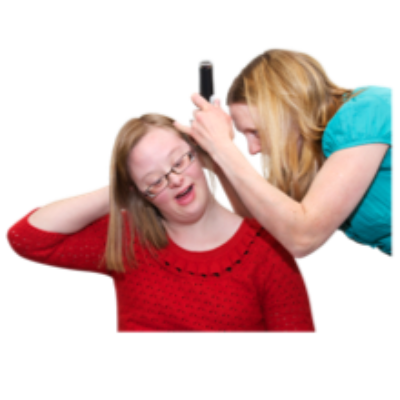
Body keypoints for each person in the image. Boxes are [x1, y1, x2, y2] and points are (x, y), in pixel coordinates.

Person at [5, 110, 318, 334]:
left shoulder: (269, 251)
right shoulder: (128, 238)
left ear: (202, 152)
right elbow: (26, 238)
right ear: (139, 192)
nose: (174, 180)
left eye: (180, 160)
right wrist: (117, 188)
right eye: (153, 179)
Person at [175, 46, 395, 260]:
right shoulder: (321, 156)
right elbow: (264, 227)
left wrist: (223, 146)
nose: (252, 150)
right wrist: (217, 159)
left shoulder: (364, 113)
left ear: (287, 108)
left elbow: (303, 238)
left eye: (256, 132)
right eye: (243, 137)